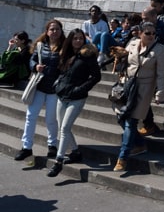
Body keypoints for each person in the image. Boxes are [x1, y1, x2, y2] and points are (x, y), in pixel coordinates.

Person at [113, 22, 164, 173]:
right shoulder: (132, 43)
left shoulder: (160, 50)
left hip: (144, 88)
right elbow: (126, 61)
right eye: (147, 33)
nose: (151, 36)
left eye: (153, 33)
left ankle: (122, 158)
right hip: (126, 85)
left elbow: (162, 73)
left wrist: (160, 92)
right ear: (140, 33)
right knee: (120, 116)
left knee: (131, 121)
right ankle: (139, 143)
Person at [48, 29, 102, 177]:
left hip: (77, 97)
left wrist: (81, 89)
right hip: (62, 95)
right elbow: (62, 72)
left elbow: (96, 76)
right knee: (62, 127)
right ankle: (76, 152)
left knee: (65, 128)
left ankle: (58, 162)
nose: (78, 41)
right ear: (70, 40)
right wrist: (57, 85)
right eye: (75, 38)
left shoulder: (88, 56)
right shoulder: (66, 54)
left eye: (80, 38)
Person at [14, 21, 65, 165]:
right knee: (31, 116)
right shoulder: (40, 45)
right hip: (39, 86)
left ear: (61, 31)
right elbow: (32, 60)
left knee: (51, 119)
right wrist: (35, 66)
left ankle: (52, 145)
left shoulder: (65, 48)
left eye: (57, 29)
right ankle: (26, 147)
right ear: (47, 31)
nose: (54, 32)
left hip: (54, 89)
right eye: (51, 29)